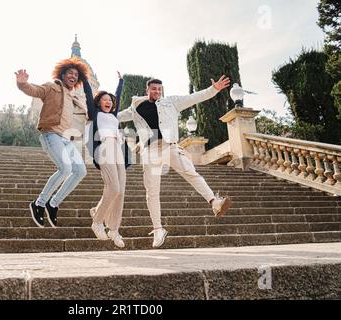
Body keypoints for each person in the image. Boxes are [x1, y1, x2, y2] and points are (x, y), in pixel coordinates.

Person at [117, 75, 232, 248]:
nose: (157, 92)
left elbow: (194, 98)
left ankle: (214, 202)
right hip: (150, 151)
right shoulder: (135, 107)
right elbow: (115, 116)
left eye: (159, 89)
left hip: (169, 146)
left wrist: (214, 89)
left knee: (191, 172)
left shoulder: (170, 102)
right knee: (152, 191)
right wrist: (92, 115)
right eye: (153, 89)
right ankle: (158, 229)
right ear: (147, 90)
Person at [15, 57, 89, 228]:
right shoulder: (51, 87)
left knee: (80, 171)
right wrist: (22, 83)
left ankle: (53, 203)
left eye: (76, 75)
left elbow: (84, 116)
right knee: (65, 168)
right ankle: (39, 204)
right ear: (62, 74)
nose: (73, 76)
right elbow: (34, 90)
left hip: (67, 139)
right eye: (70, 73)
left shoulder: (74, 99)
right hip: (51, 134)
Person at [83, 72, 131, 248]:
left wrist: (120, 81)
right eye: (104, 99)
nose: (109, 101)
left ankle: (114, 229)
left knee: (121, 191)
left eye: (110, 100)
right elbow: (88, 96)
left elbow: (117, 96)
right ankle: (97, 221)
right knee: (113, 187)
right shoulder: (95, 113)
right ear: (98, 102)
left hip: (118, 150)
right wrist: (86, 81)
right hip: (104, 148)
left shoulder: (113, 115)